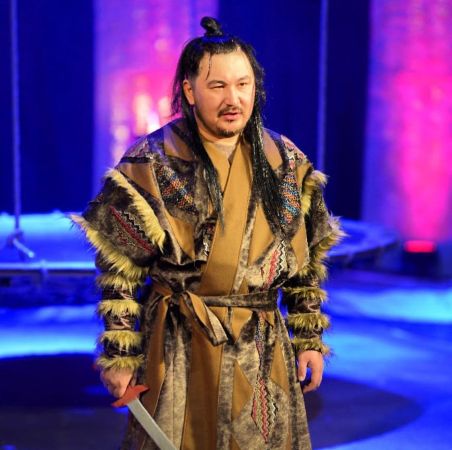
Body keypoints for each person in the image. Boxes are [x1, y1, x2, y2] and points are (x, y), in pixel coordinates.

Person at [72, 16, 342, 450]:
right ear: (190, 90)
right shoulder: (152, 161)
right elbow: (119, 270)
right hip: (179, 344)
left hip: (261, 346)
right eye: (218, 86)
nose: (233, 98)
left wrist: (309, 338)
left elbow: (306, 260)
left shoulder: (286, 161)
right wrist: (119, 355)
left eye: (243, 84)